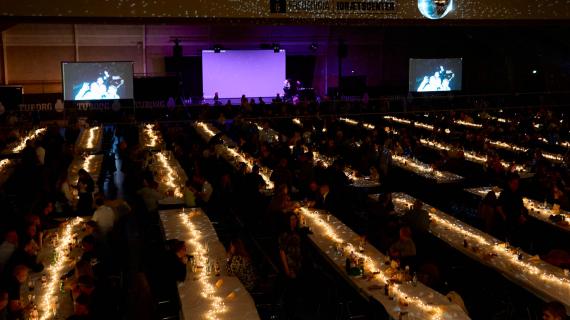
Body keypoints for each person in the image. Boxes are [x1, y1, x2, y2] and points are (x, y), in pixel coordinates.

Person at [497, 174, 529, 246]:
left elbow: (521, 206)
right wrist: (504, 216)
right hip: (508, 217)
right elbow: (498, 206)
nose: (516, 186)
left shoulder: (518, 193)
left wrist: (521, 215)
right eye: (514, 184)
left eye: (517, 184)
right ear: (509, 183)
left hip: (516, 217)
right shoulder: (505, 193)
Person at [278, 213, 303, 279]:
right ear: (287, 221)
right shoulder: (285, 234)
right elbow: (282, 251)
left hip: (297, 261)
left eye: (295, 219)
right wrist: (287, 269)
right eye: (292, 220)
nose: (294, 221)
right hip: (290, 263)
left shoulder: (295, 231)